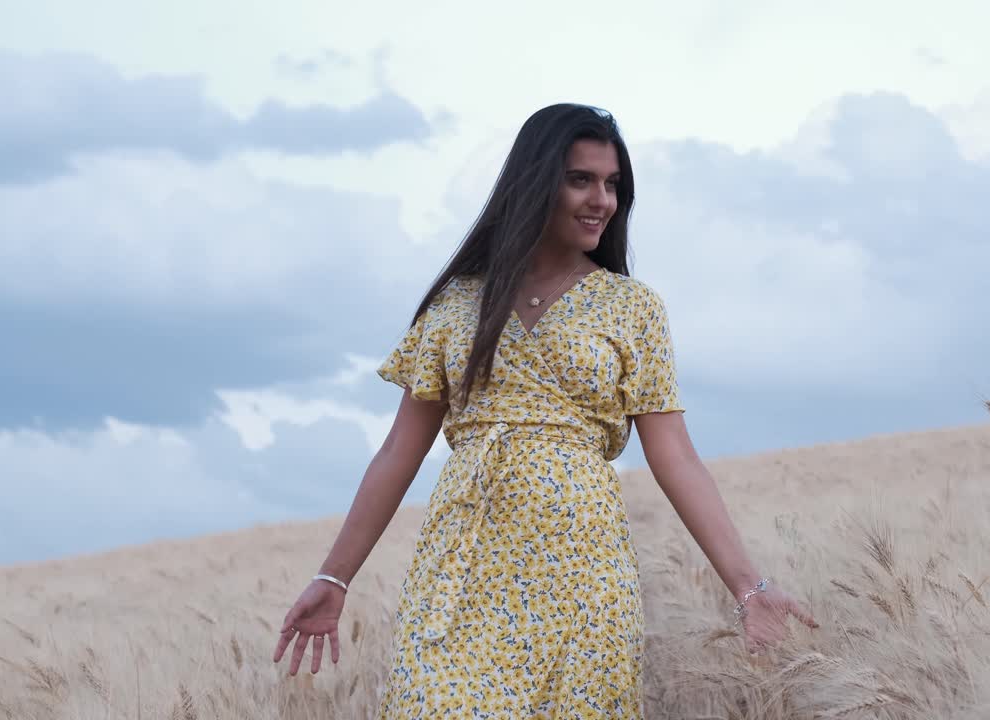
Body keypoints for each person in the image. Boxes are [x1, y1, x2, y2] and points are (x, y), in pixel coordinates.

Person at [272, 103, 817, 717]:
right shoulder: (455, 305)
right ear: (535, 183)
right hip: (461, 569)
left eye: (613, 184)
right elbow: (400, 450)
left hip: (582, 575)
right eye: (581, 179)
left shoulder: (632, 308)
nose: (602, 200)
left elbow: (676, 457)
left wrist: (749, 587)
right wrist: (334, 577)